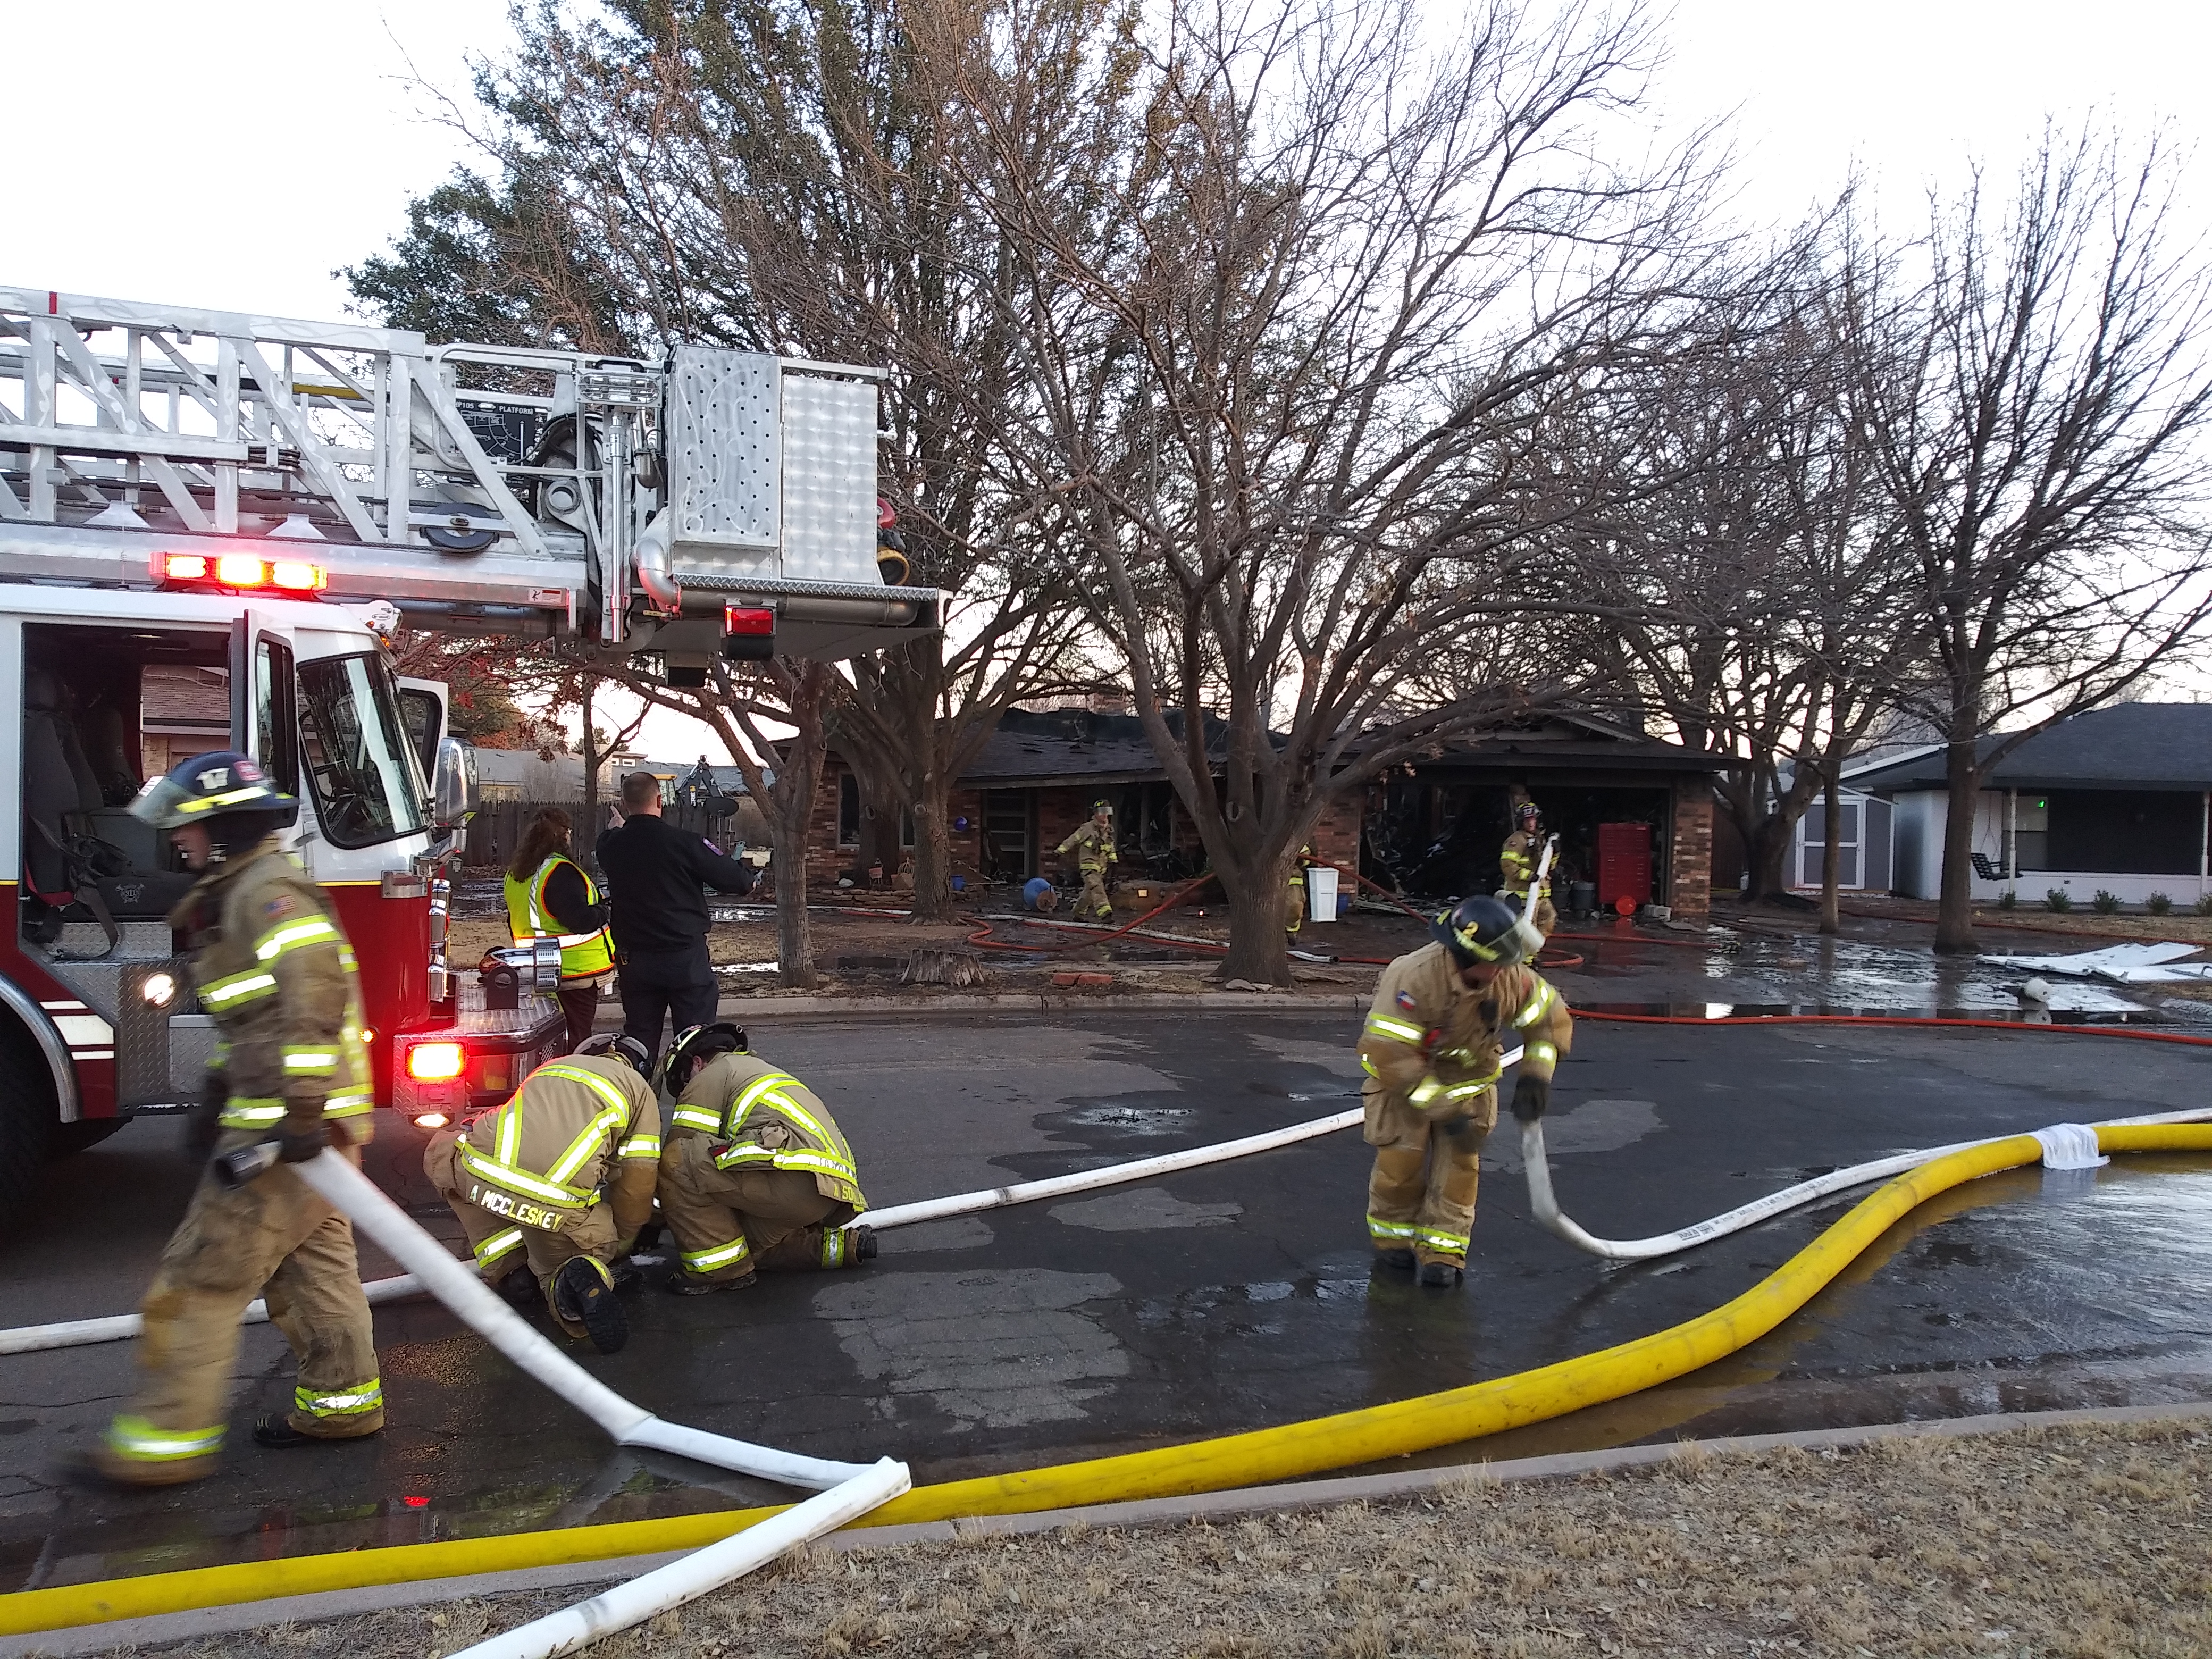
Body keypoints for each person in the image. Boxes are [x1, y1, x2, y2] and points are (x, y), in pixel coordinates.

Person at [93, 752, 381, 1485]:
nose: (179, 845)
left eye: (187, 831)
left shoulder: (267, 894)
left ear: (220, 833)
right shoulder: (242, 895)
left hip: (288, 1129)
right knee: (314, 1270)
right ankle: (343, 1403)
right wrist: (223, 1088)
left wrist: (302, 1113)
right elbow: (259, 1019)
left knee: (204, 1272)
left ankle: (161, 1447)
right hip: (299, 1128)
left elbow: (313, 1004)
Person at [1356, 894, 1572, 1288]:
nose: (1505, 971)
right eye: (1497, 964)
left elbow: (1548, 1020)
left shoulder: (1507, 973)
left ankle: (1445, 1253)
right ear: (1469, 956)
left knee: (1459, 1172)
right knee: (1400, 1169)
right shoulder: (1414, 977)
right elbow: (1393, 1056)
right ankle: (1392, 1245)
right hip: (1405, 1089)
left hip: (1470, 1087)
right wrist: (1444, 1110)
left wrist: (1537, 1075)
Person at [421, 1034, 659, 1353]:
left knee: (446, 1153)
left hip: (478, 1173)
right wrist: (624, 1239)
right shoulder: (638, 1091)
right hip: (553, 1204)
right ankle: (568, 1285)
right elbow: (637, 1183)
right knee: (586, 1245)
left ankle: (512, 1270)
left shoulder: (550, 1068)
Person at [656, 1023, 875, 1294]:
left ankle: (720, 1273)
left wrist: (649, 1217)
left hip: (789, 1181)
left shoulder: (713, 1073)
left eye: (683, 1081)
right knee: (733, 1246)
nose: (686, 1090)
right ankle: (843, 1247)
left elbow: (680, 1149)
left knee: (677, 1158)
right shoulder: (761, 1073)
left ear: (697, 1063)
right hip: (829, 1193)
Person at [596, 770, 756, 1067]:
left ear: (625, 803)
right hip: (685, 959)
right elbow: (736, 881)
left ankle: (635, 1099)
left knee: (638, 1043)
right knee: (696, 1043)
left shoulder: (610, 846)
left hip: (636, 962)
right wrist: (750, 879)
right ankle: (692, 1097)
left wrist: (616, 830)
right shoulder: (685, 843)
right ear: (660, 800)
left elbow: (611, 840)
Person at [501, 807, 615, 1052]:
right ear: (565, 835)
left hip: (537, 968)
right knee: (578, 1039)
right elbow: (581, 919)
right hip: (576, 974)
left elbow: (517, 920)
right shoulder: (561, 872)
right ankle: (570, 1083)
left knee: (550, 1040)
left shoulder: (517, 874)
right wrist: (604, 911)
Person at [1500, 801, 1556, 941]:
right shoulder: (1515, 841)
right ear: (1521, 822)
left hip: (1541, 895)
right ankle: (1526, 961)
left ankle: (1534, 953)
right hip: (1523, 896)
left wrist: (1555, 853)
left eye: (1533, 819)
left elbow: (1549, 867)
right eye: (1527, 820)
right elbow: (1508, 866)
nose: (1531, 823)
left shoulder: (1540, 840)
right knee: (1527, 929)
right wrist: (1529, 876)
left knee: (1548, 920)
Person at [1057, 799, 1117, 923]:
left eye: (1107, 811)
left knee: (1089, 891)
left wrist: (1114, 860)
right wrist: (1061, 850)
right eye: (1101, 812)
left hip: (1101, 866)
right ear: (1095, 813)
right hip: (1088, 865)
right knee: (1097, 887)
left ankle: (1078, 914)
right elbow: (1074, 839)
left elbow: (1110, 847)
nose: (1105, 815)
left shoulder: (1108, 830)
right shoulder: (1087, 828)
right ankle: (1105, 914)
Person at [1285, 843, 1318, 939]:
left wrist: (1300, 860)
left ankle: (1291, 933)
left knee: (1295, 907)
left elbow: (1306, 856)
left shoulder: (1292, 836)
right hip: (1266, 877)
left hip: (1292, 879)